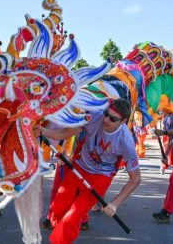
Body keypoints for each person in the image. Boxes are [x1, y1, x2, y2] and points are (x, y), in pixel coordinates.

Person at [35, 98, 141, 244]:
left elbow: (135, 179)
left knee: (73, 216)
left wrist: (115, 203)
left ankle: (60, 240)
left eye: (112, 118)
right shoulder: (94, 117)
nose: (106, 119)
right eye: (106, 114)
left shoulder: (126, 141)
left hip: (100, 177)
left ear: (123, 121)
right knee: (57, 208)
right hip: (79, 167)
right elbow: (65, 133)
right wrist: (44, 131)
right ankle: (59, 233)